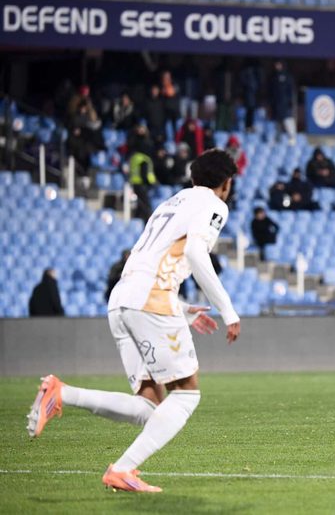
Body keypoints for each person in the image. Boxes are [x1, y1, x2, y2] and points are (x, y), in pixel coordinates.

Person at [27, 149, 241, 493]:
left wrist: (182, 310)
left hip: (122, 298)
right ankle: (123, 468)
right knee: (186, 395)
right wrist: (227, 309)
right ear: (226, 182)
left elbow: (151, 261)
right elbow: (194, 254)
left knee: (150, 406)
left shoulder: (170, 202)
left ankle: (62, 393)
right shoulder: (215, 205)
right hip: (150, 299)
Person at [267, 60, 296, 144]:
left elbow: (290, 90)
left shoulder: (287, 76)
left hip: (285, 104)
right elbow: (270, 91)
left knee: (288, 121)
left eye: (279, 64)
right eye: (276, 64)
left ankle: (292, 138)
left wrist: (290, 101)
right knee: (277, 124)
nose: (277, 66)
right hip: (275, 104)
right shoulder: (273, 77)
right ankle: (277, 139)